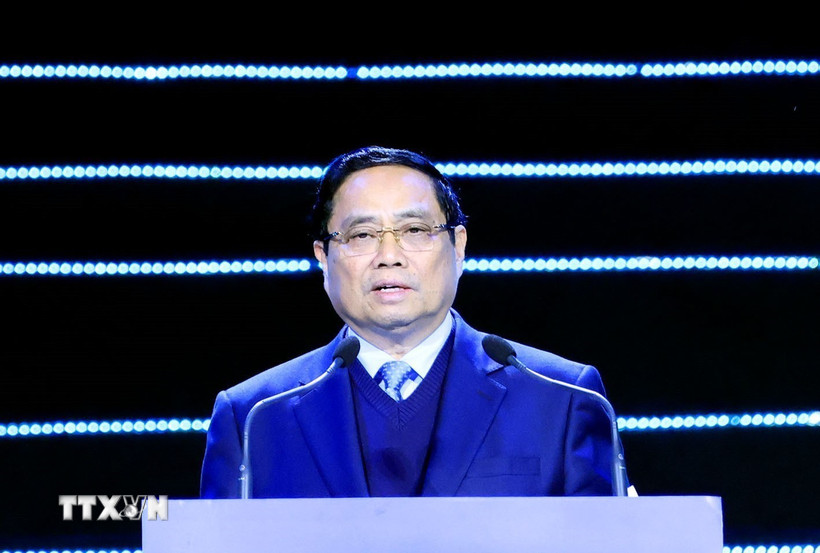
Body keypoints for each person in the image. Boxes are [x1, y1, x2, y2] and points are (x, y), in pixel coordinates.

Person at [200, 145, 625, 498]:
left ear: (458, 246)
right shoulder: (254, 417)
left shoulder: (563, 397)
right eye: (361, 235)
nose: (389, 255)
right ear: (323, 258)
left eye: (416, 230)